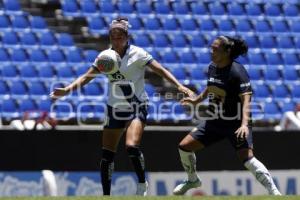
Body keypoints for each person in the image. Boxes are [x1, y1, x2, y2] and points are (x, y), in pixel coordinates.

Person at [50, 17, 194, 196]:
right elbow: (87, 76)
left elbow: (161, 70)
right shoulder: (105, 58)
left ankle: (142, 183)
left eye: (119, 36)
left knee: (131, 147)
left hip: (137, 106)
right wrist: (68, 89)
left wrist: (179, 86)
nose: (116, 40)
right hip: (114, 108)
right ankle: (106, 195)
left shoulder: (138, 54)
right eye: (113, 36)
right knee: (107, 155)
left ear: (127, 37)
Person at [173, 36, 282, 196]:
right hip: (215, 120)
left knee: (247, 159)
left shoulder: (237, 71)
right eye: (211, 48)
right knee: (184, 147)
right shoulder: (212, 67)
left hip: (236, 122)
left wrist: (244, 125)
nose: (211, 51)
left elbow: (246, 100)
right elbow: (211, 87)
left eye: (215, 49)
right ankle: (192, 179)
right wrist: (196, 100)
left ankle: (274, 192)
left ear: (227, 52)